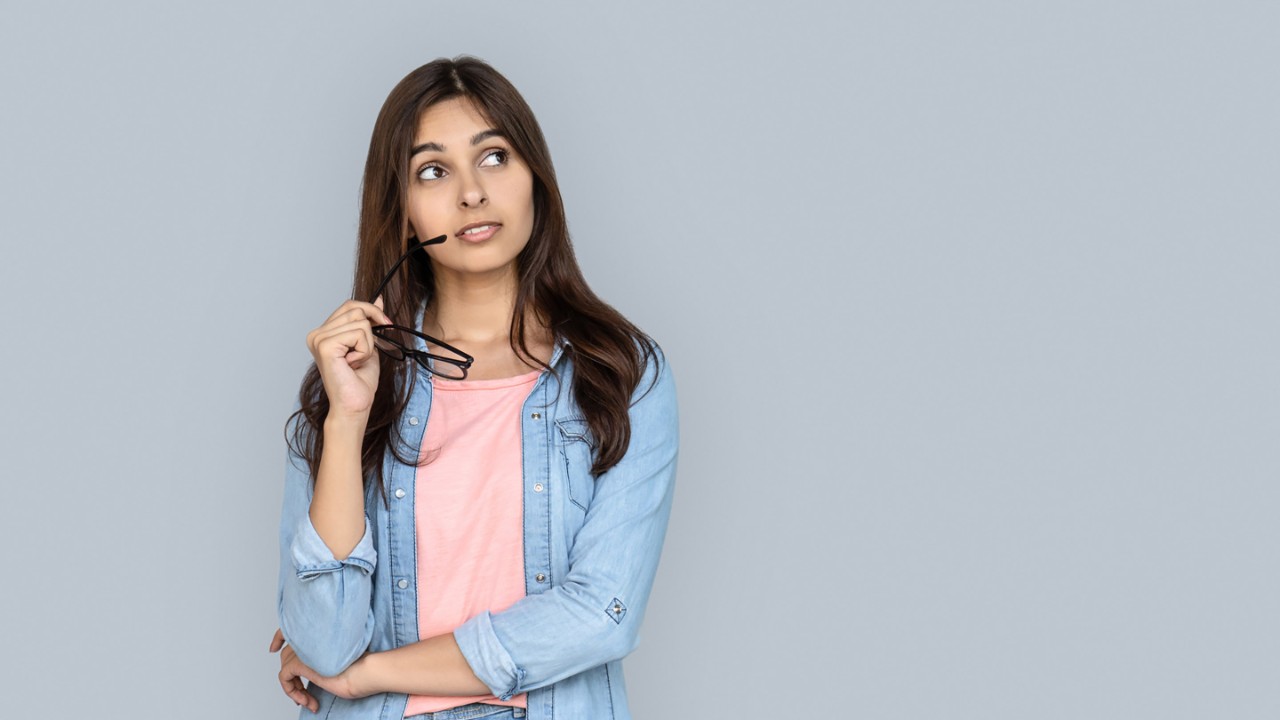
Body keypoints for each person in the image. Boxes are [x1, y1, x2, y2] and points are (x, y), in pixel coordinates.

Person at [269, 55, 678, 720]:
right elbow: (322, 641)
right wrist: (345, 422)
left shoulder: (621, 374)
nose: (471, 193)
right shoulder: (346, 384)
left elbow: (600, 615)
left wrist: (374, 673)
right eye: (433, 170)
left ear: (535, 180)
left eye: (494, 157)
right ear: (401, 211)